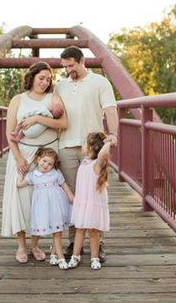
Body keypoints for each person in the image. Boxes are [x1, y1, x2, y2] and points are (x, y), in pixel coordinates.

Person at [54, 46, 118, 262]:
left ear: (82, 60)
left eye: (71, 65)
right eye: (64, 67)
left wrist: (113, 134)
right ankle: (74, 243)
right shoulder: (60, 86)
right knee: (72, 197)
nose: (68, 70)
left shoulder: (100, 82)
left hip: (93, 148)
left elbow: (110, 109)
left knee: (95, 195)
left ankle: (97, 245)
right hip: (66, 145)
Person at [1, 61, 67, 264]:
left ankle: (35, 244)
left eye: (48, 79)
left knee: (42, 199)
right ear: (32, 77)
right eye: (41, 78)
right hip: (23, 153)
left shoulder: (53, 98)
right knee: (20, 198)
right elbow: (10, 132)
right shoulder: (17, 100)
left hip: (47, 154)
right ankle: (21, 245)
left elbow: (63, 123)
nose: (45, 82)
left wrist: (38, 119)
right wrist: (18, 158)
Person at [16, 147, 74, 269]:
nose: (46, 165)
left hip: (57, 205)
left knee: (58, 231)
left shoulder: (56, 173)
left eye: (50, 164)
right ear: (38, 159)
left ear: (53, 166)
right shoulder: (33, 175)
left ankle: (57, 256)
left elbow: (63, 184)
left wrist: (70, 196)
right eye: (44, 161)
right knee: (48, 229)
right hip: (43, 207)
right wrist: (21, 174)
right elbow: (19, 184)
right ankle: (55, 255)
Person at [68, 132, 111, 270]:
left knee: (93, 231)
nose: (82, 146)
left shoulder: (96, 164)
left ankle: (94, 257)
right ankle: (75, 255)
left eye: (84, 143)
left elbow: (103, 154)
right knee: (79, 229)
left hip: (93, 203)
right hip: (82, 202)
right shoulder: (85, 161)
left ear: (91, 148)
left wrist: (109, 142)